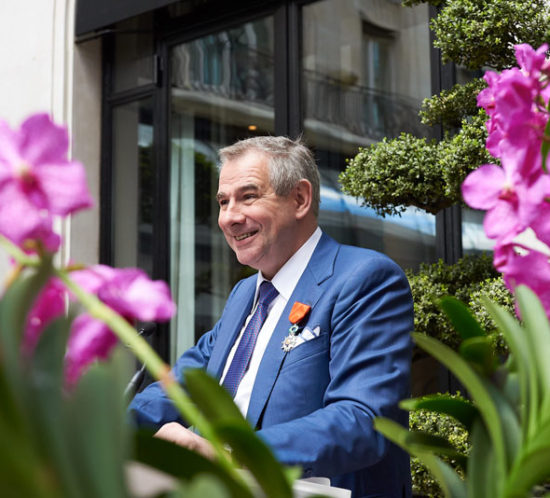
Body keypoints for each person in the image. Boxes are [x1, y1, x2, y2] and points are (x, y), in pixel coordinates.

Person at [129, 136, 414, 497]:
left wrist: (226, 451)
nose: (230, 217)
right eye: (223, 201)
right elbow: (186, 385)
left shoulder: (364, 279)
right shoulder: (244, 294)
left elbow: (362, 420)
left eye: (248, 196)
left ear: (300, 199)